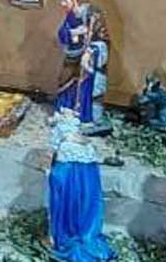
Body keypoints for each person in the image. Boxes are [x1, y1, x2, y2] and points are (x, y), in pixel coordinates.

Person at [46, 108, 117, 262]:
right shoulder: (85, 153)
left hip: (67, 173)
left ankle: (67, 234)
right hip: (80, 176)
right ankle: (81, 232)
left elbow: (55, 169)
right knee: (82, 206)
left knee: (67, 205)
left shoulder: (66, 152)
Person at [54, 0, 110, 134]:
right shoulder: (70, 16)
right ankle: (66, 111)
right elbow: (62, 33)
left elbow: (103, 39)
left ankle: (84, 117)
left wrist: (91, 51)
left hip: (88, 58)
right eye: (61, 1)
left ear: (74, 0)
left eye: (64, 1)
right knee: (65, 81)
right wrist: (74, 32)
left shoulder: (92, 14)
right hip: (72, 56)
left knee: (85, 86)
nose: (62, 4)